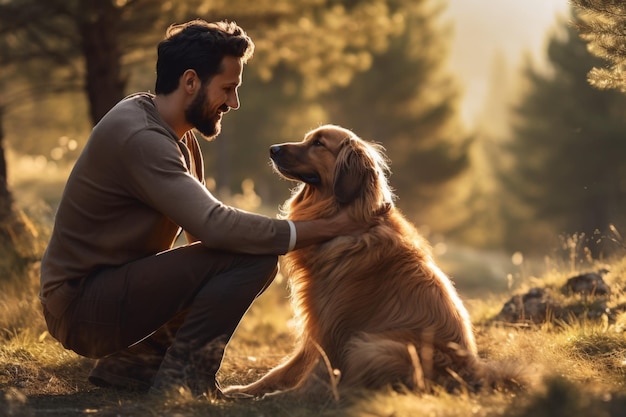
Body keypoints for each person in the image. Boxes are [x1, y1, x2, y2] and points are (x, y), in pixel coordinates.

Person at [39, 19, 365, 398]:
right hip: (81, 308)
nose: (233, 103)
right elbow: (215, 226)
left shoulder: (175, 133)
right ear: (190, 81)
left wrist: (226, 270)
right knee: (255, 260)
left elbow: (204, 235)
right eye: (228, 89)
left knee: (245, 256)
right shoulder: (142, 139)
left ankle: (134, 366)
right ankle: (185, 381)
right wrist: (332, 227)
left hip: (105, 291)